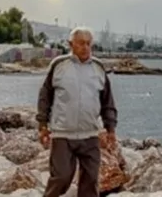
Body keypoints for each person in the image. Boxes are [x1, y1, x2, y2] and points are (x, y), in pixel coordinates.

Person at [36, 27, 117, 197]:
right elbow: (45, 96)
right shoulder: (59, 65)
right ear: (70, 44)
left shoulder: (98, 68)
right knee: (61, 177)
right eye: (81, 43)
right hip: (63, 134)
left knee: (91, 181)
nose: (85, 47)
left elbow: (107, 101)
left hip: (90, 135)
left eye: (89, 44)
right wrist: (42, 124)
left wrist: (111, 128)